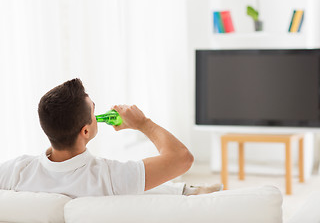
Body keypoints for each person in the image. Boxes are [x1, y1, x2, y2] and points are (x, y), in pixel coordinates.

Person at [0, 78, 221, 198]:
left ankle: (186, 190)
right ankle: (186, 191)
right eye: (94, 113)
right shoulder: (110, 177)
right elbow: (182, 158)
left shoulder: (17, 171)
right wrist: (143, 123)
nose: (96, 117)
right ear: (85, 131)